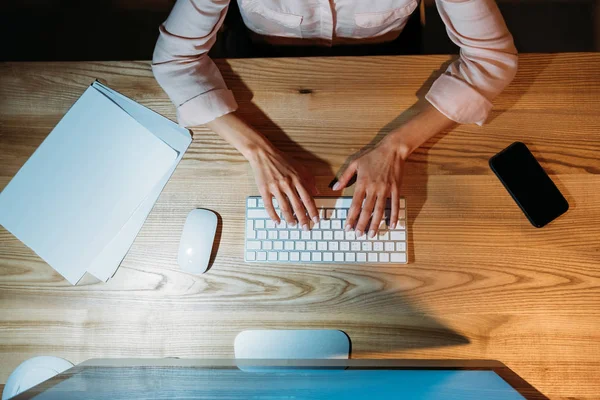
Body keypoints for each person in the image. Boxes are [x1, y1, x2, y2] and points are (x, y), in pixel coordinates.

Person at [152, 0, 517, 238]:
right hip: (262, 64)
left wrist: (396, 148)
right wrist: (257, 152)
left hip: (388, 67)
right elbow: (175, 59)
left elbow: (491, 58)